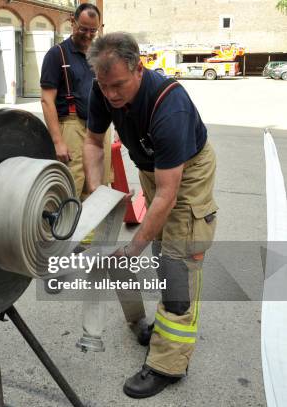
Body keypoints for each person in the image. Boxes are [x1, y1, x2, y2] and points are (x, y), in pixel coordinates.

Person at [83, 32, 218, 398]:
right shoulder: (103, 87)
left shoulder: (169, 106)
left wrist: (132, 250)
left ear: (138, 69)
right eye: (104, 85)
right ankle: (158, 327)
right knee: (160, 246)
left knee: (177, 260)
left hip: (185, 172)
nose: (111, 94)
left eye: (119, 86)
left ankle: (168, 364)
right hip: (151, 166)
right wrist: (96, 192)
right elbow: (94, 141)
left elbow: (169, 195)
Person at [40, 3, 112, 200]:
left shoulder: (100, 55)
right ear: (73, 22)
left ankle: (92, 231)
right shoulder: (56, 55)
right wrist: (57, 141)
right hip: (72, 127)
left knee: (98, 187)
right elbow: (47, 100)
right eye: (83, 29)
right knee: (71, 188)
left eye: (93, 30)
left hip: (99, 128)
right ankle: (68, 230)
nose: (88, 35)